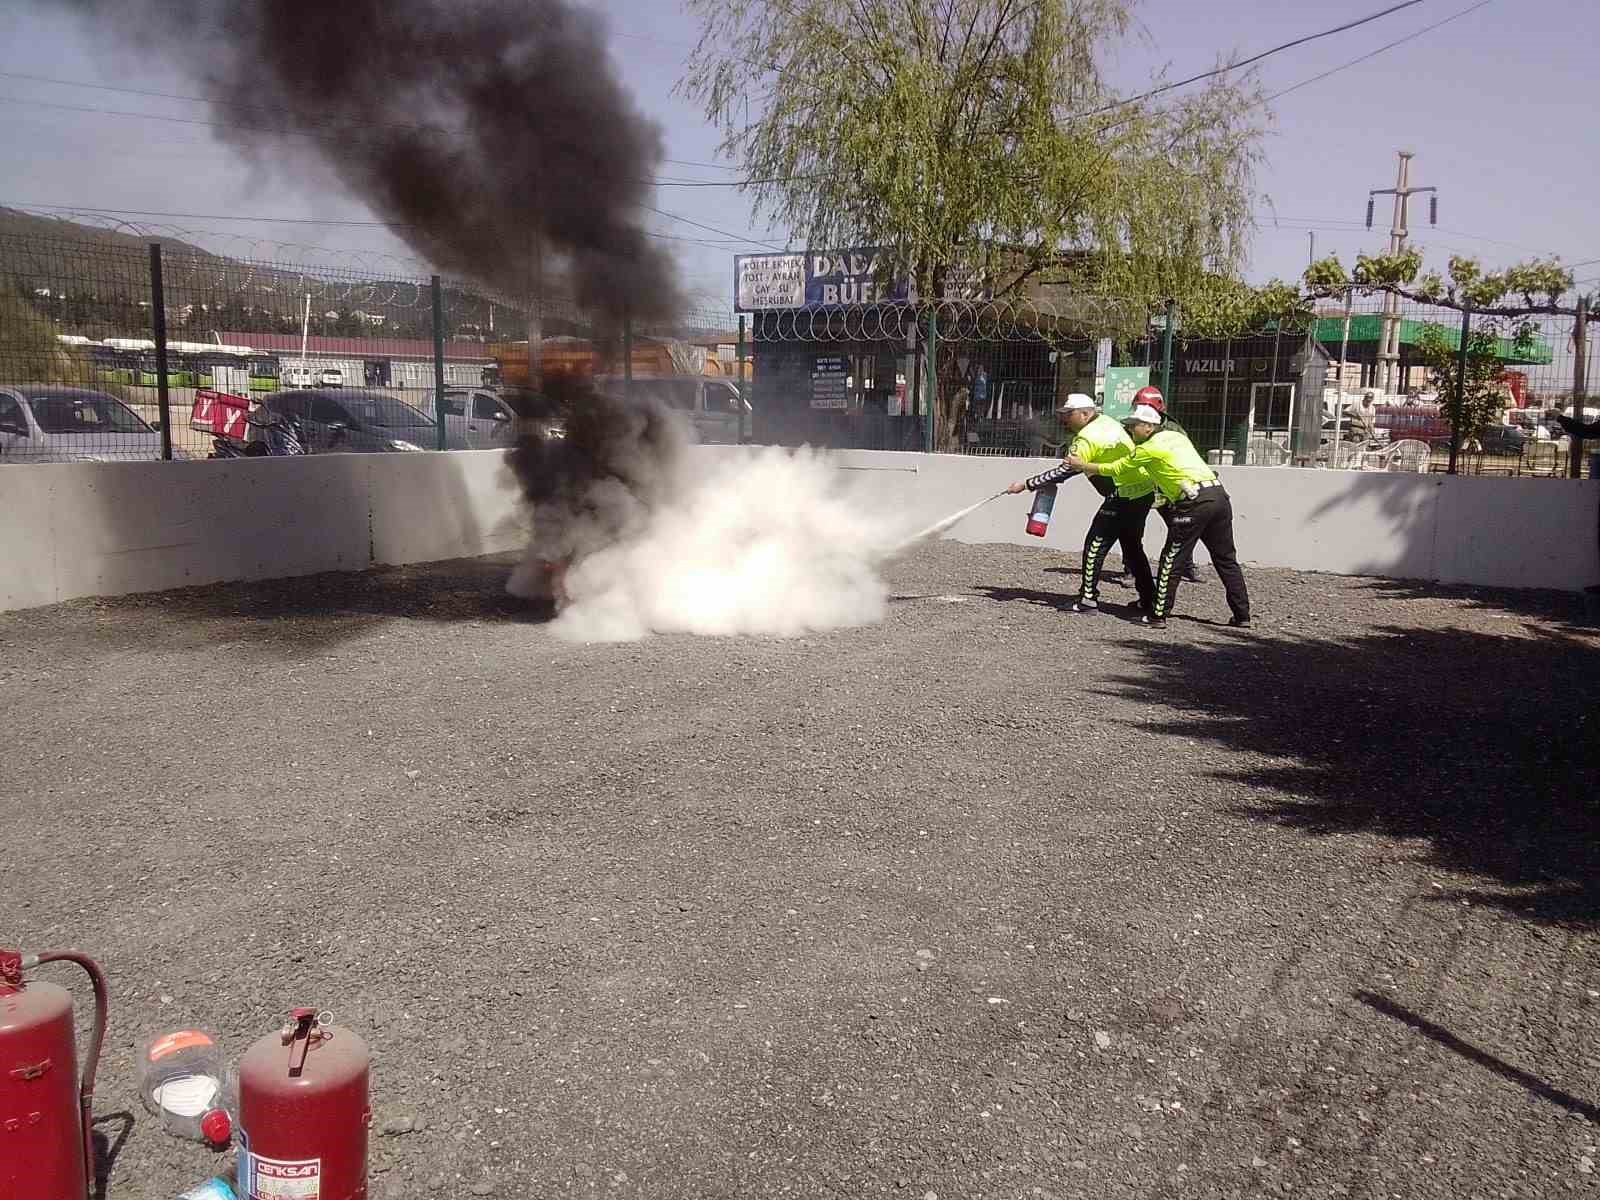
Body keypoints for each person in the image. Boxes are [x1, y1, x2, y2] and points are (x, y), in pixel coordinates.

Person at [1069, 401, 1250, 629]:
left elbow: (1117, 468)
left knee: (1171, 561)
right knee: (1225, 558)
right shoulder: (1178, 437)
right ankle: (1242, 615)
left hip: (1193, 503)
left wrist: (1082, 464)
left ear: (1148, 426)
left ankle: (1157, 615)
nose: (1130, 429)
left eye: (1134, 425)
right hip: (1218, 495)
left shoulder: (1148, 448)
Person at [1006, 393, 1155, 614]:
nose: (1065, 419)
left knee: (1095, 544)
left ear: (1086, 413)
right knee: (1133, 548)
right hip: (1143, 493)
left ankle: (1088, 599)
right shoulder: (1109, 422)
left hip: (1121, 496)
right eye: (1063, 414)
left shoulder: (1086, 438)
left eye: (1069, 414)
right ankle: (1149, 599)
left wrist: (1026, 484)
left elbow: (1065, 471)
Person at [1136, 386, 1203, 584]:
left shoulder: (1174, 429)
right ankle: (1130, 570)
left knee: (1180, 526)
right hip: (1144, 482)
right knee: (1134, 526)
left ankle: (1186, 566)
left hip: (1168, 485)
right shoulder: (1133, 426)